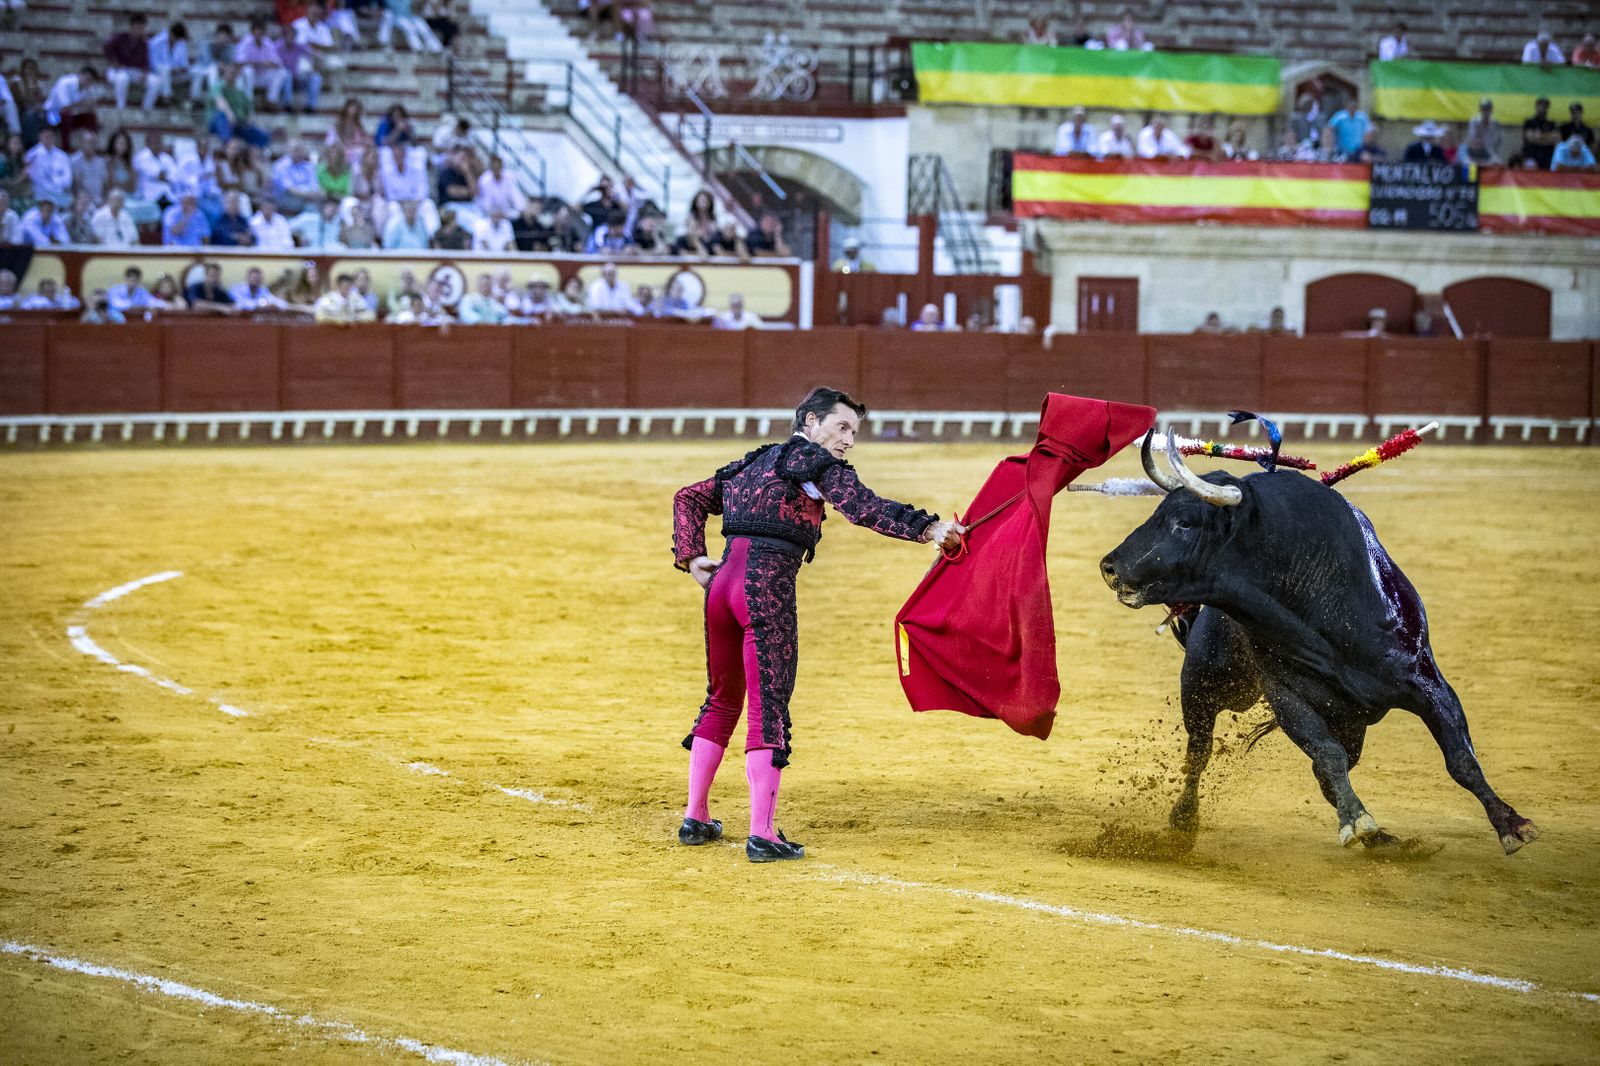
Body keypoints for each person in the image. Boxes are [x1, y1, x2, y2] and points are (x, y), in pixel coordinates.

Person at [670, 387, 963, 861]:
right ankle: (762, 833)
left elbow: (688, 498)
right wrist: (930, 529)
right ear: (810, 422)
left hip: (721, 589)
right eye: (842, 427)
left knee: (722, 698)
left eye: (854, 432)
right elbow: (864, 507)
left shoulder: (754, 463)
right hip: (764, 591)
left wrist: (694, 557)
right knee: (768, 707)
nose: (848, 440)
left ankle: (696, 817)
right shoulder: (815, 463)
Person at [104, 12, 159, 110]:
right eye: (137, 27)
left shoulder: (144, 43)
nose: (139, 30)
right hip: (118, 70)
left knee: (155, 81)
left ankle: (147, 108)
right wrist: (115, 63)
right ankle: (121, 108)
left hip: (134, 71)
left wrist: (144, 72)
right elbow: (107, 48)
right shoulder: (120, 37)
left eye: (141, 28)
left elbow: (146, 60)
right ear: (131, 27)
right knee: (122, 78)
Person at [235, 19, 288, 103]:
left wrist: (269, 64)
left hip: (262, 75)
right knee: (248, 70)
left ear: (264, 32)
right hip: (248, 76)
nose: (258, 35)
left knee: (282, 72)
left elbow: (278, 62)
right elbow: (239, 62)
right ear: (252, 32)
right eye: (256, 33)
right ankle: (249, 99)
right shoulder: (245, 42)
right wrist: (257, 63)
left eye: (261, 33)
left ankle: (271, 100)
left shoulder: (268, 42)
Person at [1521, 99, 1560, 170]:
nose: (1542, 109)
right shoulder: (1529, 122)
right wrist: (1547, 137)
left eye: (1545, 107)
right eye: (1540, 106)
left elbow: (1554, 138)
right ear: (1536, 107)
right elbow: (1530, 138)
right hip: (1531, 155)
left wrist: (1539, 137)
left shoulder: (1551, 124)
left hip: (1547, 156)